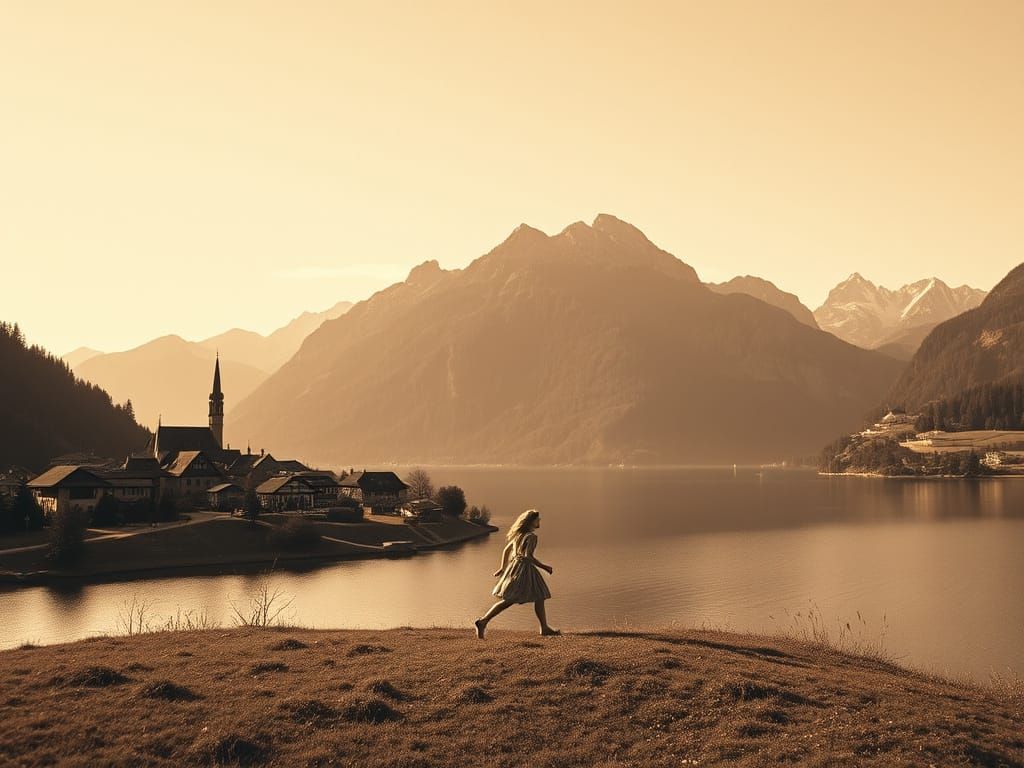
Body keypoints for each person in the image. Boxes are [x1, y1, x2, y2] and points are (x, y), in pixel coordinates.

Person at [474, 509, 559, 638]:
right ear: (531, 522)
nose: (539, 521)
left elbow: (506, 551)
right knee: (511, 599)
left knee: (539, 596)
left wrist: (503, 568)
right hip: (524, 569)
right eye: (537, 519)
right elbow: (528, 556)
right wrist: (545, 567)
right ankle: (483, 621)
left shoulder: (519, 535)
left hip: (514, 568)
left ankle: (544, 627)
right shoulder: (531, 536)